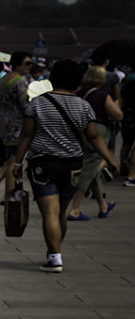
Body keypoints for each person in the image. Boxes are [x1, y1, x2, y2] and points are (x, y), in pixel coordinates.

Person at [11, 60, 119, 273]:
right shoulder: (83, 105)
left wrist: (17, 161)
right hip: (72, 165)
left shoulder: (38, 103)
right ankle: (56, 252)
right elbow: (94, 136)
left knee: (49, 213)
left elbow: (26, 134)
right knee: (61, 213)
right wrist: (110, 159)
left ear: (52, 79)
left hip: (42, 164)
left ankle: (54, 257)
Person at [66, 66, 123, 221]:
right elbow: (118, 115)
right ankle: (75, 209)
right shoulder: (102, 95)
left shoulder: (77, 93)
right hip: (97, 132)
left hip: (78, 132)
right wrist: (117, 102)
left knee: (92, 169)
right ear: (102, 79)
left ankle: (103, 206)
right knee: (89, 168)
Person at [0, 51, 33, 203]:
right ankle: (7, 195)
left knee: (10, 160)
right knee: (15, 161)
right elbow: (25, 105)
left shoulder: (3, 80)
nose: (29, 66)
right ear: (17, 64)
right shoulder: (21, 81)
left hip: (3, 125)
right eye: (27, 63)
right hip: (17, 127)